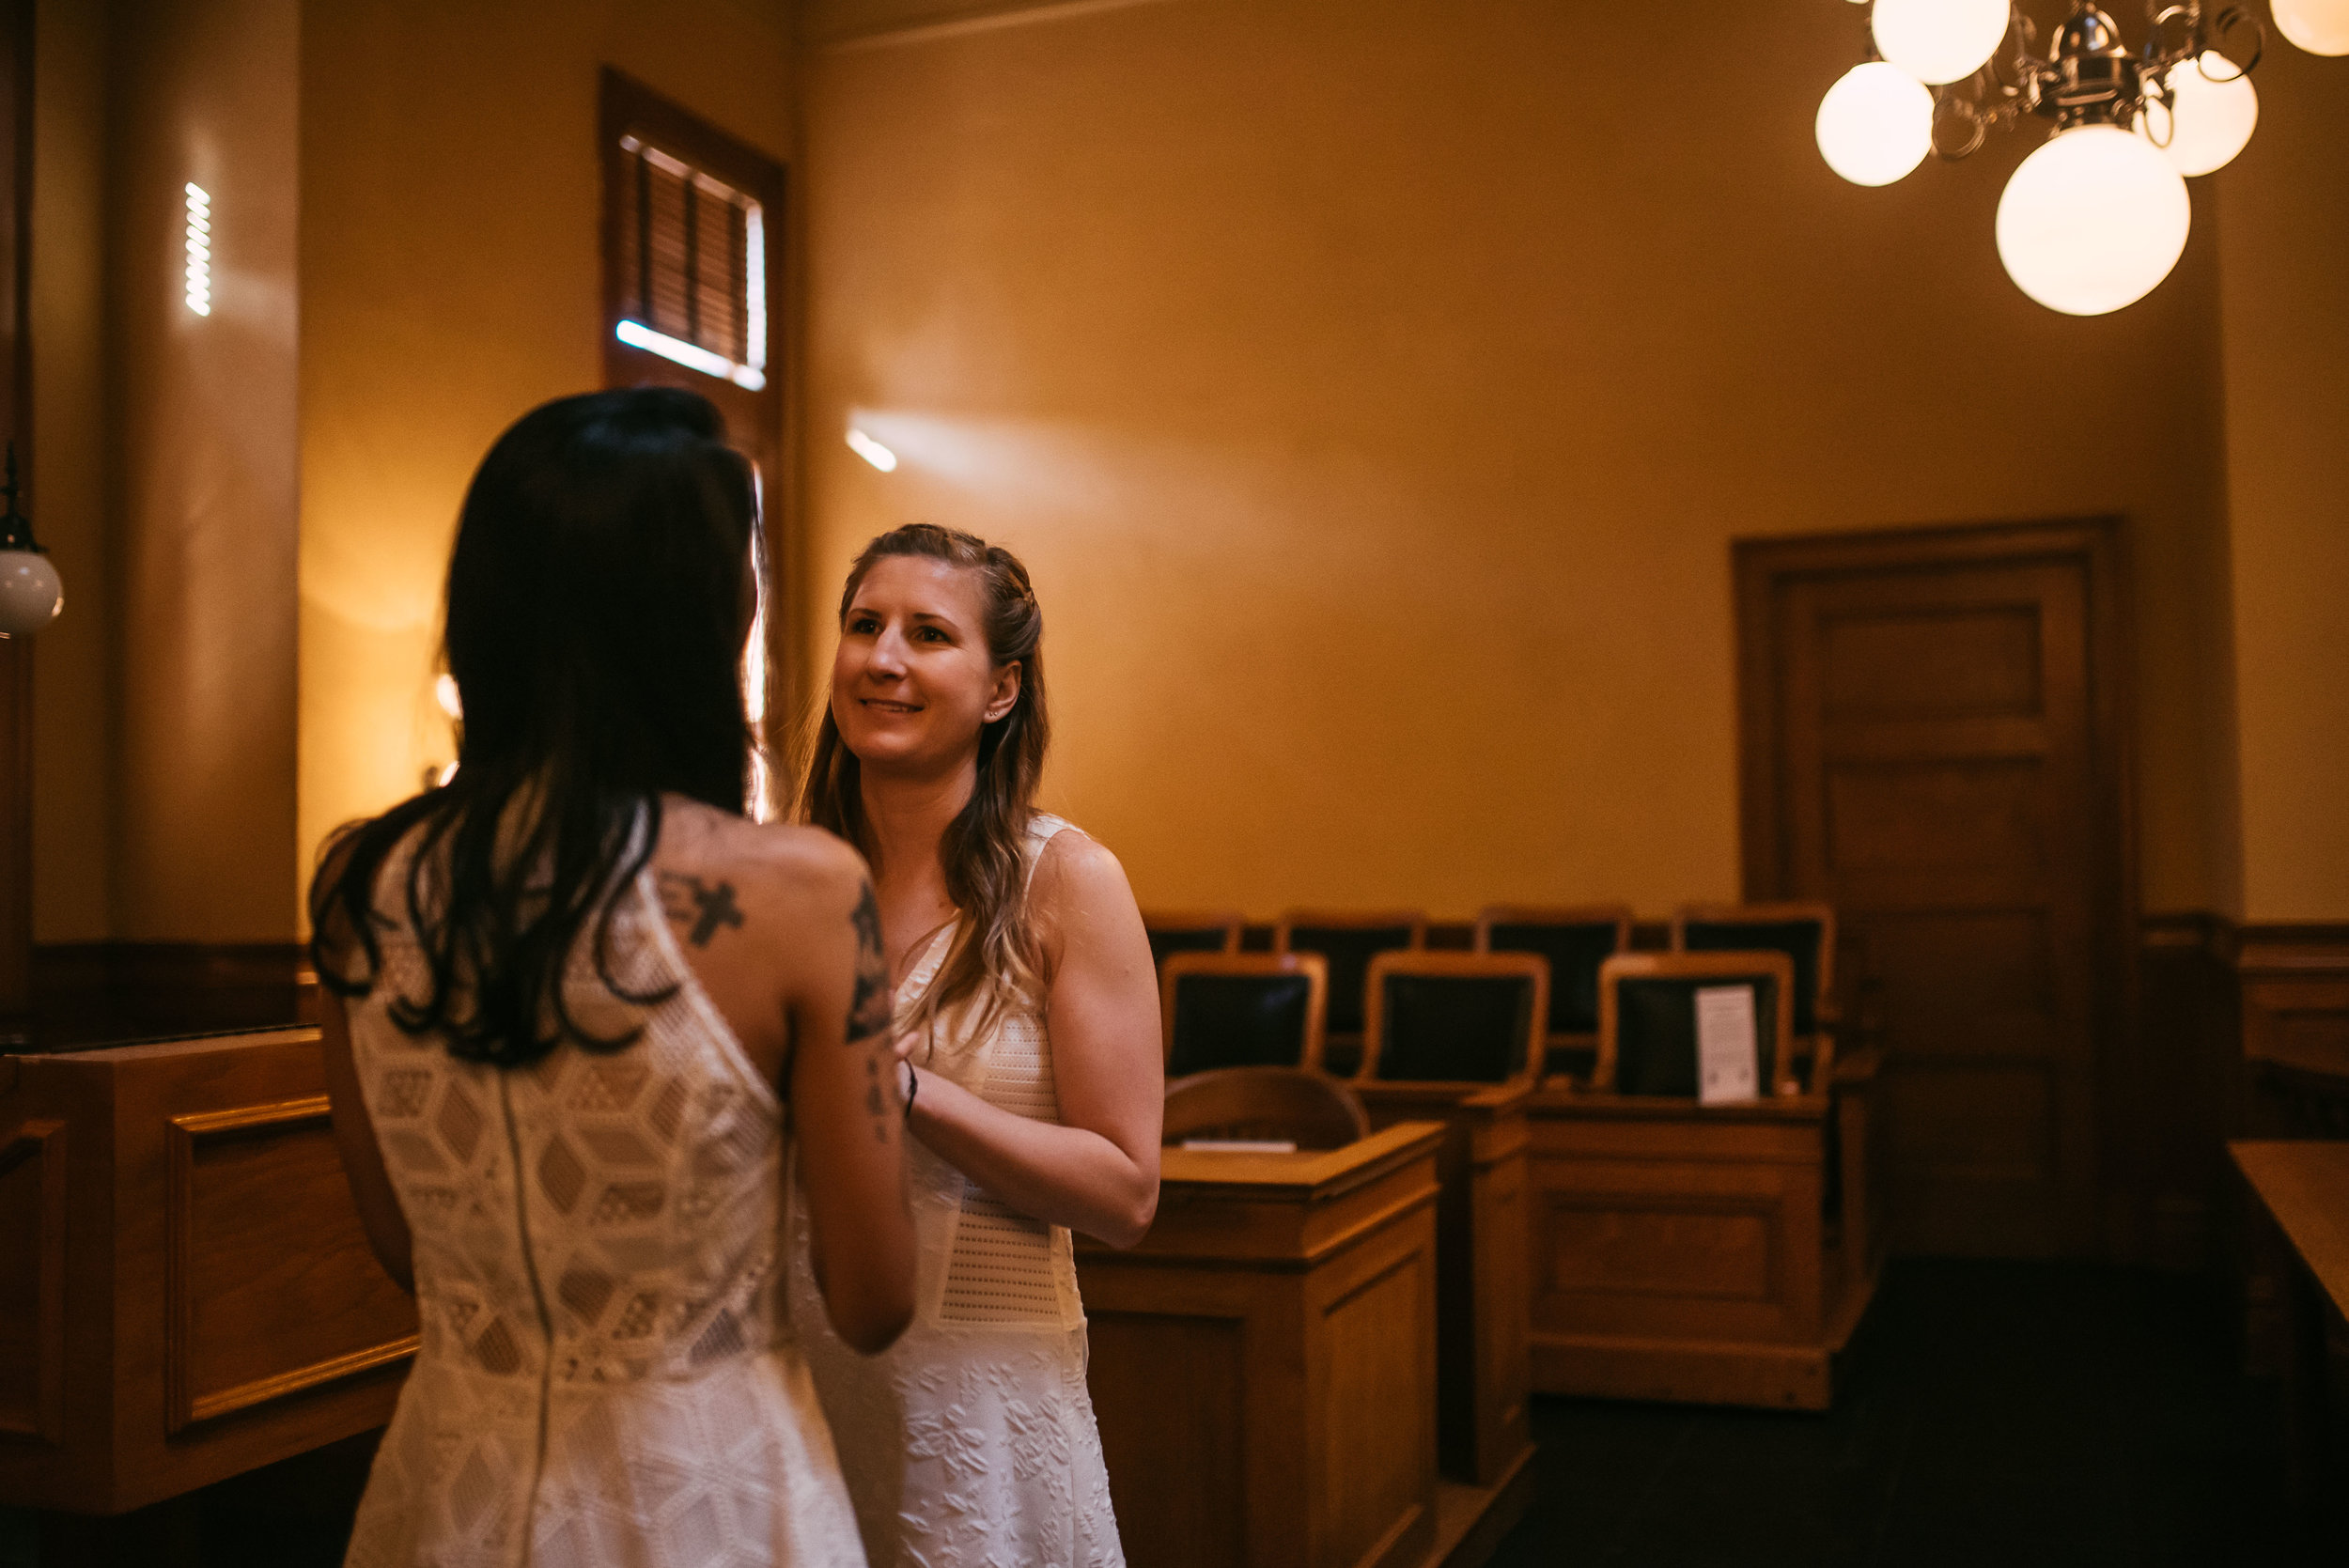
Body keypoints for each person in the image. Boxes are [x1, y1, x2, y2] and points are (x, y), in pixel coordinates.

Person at [313, 388, 916, 1568]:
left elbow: (403, 1246)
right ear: (700, 616)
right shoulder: (796, 891)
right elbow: (874, 1293)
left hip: (458, 1478)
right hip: (708, 1490)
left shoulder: (363, 884)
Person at [787, 524, 1163, 1568]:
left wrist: (905, 1089)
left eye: (927, 634)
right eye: (864, 626)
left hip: (979, 1421)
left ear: (1000, 690)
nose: (884, 659)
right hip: (796, 1396)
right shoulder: (780, 878)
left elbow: (1127, 1191)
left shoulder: (1068, 882)